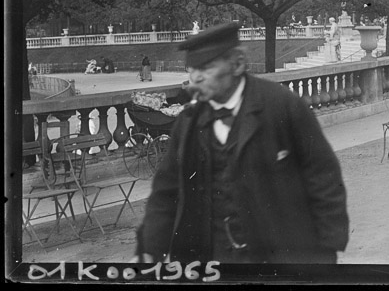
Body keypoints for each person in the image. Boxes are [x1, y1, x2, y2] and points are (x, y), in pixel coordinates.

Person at [134, 23, 349, 264]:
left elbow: (323, 176)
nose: (195, 78)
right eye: (192, 68)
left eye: (205, 67)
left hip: (280, 258)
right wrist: (149, 250)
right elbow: (166, 192)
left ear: (237, 64)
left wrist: (326, 250)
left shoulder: (282, 106)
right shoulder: (189, 122)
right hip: (213, 259)